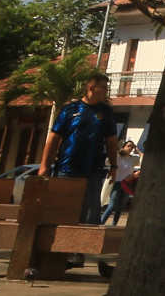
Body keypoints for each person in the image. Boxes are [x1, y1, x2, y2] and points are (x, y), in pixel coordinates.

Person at [37, 70, 120, 228]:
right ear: (90, 88)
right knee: (62, 208)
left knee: (88, 213)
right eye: (102, 88)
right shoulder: (69, 110)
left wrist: (114, 166)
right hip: (66, 168)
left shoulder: (107, 113)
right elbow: (53, 139)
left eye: (106, 88)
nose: (105, 92)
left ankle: (79, 251)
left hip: (93, 169)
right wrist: (44, 165)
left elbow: (111, 141)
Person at [103, 140, 139, 226]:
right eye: (128, 146)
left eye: (132, 147)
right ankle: (101, 222)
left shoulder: (133, 159)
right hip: (117, 183)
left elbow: (144, 160)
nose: (130, 148)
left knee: (120, 207)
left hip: (127, 184)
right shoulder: (118, 157)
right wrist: (117, 152)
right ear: (124, 146)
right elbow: (107, 161)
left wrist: (138, 150)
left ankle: (114, 225)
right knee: (112, 205)